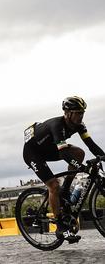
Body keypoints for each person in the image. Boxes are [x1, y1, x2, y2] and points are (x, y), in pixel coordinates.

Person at [22, 96, 105, 243]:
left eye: (82, 113)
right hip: (33, 152)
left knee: (79, 153)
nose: (80, 116)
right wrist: (82, 168)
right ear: (67, 113)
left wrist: (103, 157)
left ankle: (65, 190)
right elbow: (63, 153)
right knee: (53, 185)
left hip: (49, 148)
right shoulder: (57, 126)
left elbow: (91, 145)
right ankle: (60, 227)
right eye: (77, 113)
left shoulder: (80, 126)